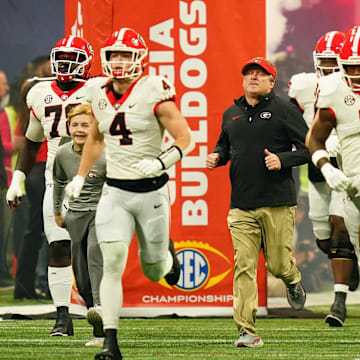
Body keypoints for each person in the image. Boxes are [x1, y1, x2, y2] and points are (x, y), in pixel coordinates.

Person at [65, 27, 194, 360]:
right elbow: (95, 138)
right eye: (113, 55)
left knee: (153, 269)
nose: (119, 61)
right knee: (113, 262)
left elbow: (184, 138)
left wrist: (161, 162)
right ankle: (111, 342)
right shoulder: (96, 91)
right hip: (115, 191)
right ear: (105, 59)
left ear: (140, 58)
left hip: (151, 192)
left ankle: (168, 258)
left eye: (125, 54)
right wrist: (80, 177)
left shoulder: (154, 89)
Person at [206, 57, 309, 348]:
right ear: (243, 80)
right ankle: (247, 331)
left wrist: (283, 159)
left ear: (271, 81)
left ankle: (291, 278)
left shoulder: (285, 110)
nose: (253, 77)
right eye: (249, 73)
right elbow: (225, 145)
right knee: (244, 266)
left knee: (276, 264)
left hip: (277, 202)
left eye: (260, 74)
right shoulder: (231, 113)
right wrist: (217, 157)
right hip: (241, 204)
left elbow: (309, 148)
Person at [6, 35, 94, 336]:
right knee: (58, 246)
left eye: (73, 59)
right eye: (62, 58)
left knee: (96, 249)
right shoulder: (38, 91)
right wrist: (18, 178)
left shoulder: (99, 90)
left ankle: (96, 306)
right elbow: (31, 142)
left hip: (97, 180)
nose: (66, 65)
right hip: (56, 181)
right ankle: (62, 316)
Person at [288, 31, 358, 327]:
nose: (333, 68)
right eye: (328, 62)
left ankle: (339, 299)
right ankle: (348, 270)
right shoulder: (321, 87)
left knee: (341, 230)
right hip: (325, 171)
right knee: (325, 237)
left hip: (347, 167)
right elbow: (299, 128)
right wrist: (321, 160)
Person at [53, 103, 105, 346]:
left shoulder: (105, 152)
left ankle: (102, 322)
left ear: (95, 127)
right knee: (81, 276)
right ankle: (96, 316)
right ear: (68, 127)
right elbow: (59, 182)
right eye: (75, 125)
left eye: (86, 124)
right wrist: (57, 213)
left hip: (102, 213)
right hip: (75, 216)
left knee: (95, 261)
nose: (80, 129)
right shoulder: (63, 153)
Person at [13, 55, 52, 300]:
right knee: (56, 231)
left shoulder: (28, 100)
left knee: (34, 230)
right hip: (48, 167)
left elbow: (20, 142)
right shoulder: (54, 96)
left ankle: (24, 286)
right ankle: (50, 286)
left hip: (33, 169)